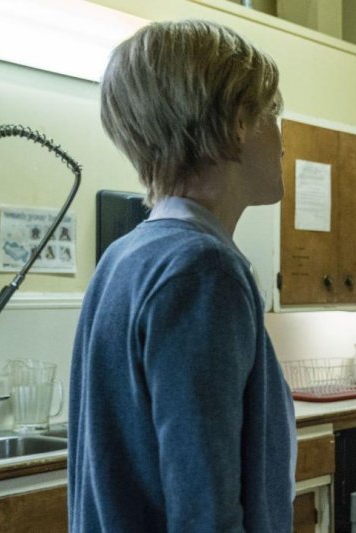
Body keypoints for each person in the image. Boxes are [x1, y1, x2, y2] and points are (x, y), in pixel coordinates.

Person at [68, 20, 296, 532]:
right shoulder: (203, 271)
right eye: (272, 112)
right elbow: (205, 508)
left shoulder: (124, 257)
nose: (282, 138)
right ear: (238, 123)